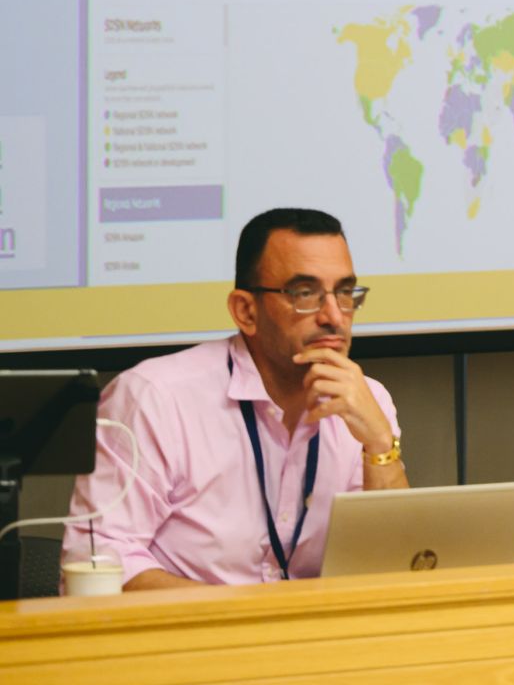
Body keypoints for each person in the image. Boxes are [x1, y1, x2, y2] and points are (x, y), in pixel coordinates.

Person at [63, 208, 405, 588]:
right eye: (305, 293)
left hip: (319, 624)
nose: (334, 317)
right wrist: (245, 614)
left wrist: (380, 446)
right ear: (246, 311)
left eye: (344, 293)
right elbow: (98, 559)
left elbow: (394, 565)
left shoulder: (367, 401)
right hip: (193, 624)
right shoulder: (155, 397)